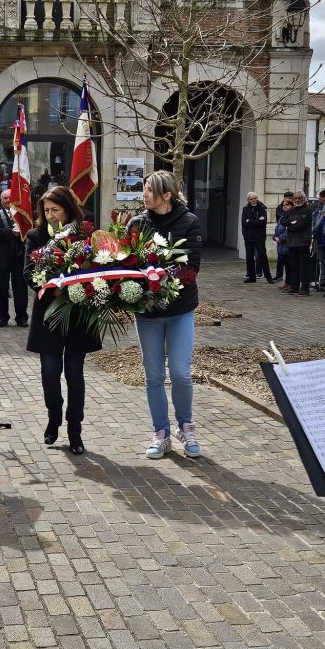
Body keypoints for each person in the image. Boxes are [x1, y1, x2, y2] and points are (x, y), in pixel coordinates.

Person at [127, 171, 202, 460]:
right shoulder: (136, 223)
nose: (144, 194)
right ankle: (161, 433)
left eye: (149, 189)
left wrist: (161, 279)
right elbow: (127, 262)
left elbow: (192, 269)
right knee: (154, 375)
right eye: (144, 189)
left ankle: (186, 427)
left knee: (181, 373)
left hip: (180, 310)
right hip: (147, 312)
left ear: (166, 195)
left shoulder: (189, 222)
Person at [24, 186, 100, 454]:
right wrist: (52, 288)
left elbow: (99, 266)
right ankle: (54, 418)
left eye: (55, 210)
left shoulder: (84, 233)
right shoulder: (35, 236)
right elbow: (28, 272)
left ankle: (74, 429)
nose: (50, 215)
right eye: (46, 210)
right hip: (49, 315)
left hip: (78, 314)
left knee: (75, 374)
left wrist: (77, 286)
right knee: (49, 373)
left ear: (68, 209)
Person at [0, 188, 29, 328]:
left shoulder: (22, 213)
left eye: (10, 197)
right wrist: (10, 232)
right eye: (5, 198)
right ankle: (2, 317)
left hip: (19, 256)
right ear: (1, 200)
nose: (8, 200)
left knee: (21, 289)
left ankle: (22, 317)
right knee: (1, 289)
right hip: (2, 257)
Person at [279, 191, 313, 295]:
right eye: (295, 198)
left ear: (303, 199)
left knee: (304, 266)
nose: (297, 200)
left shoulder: (307, 210)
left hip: (303, 242)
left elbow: (302, 225)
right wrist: (292, 223)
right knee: (293, 266)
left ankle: (305, 288)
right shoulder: (291, 210)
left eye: (299, 198)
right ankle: (294, 287)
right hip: (292, 242)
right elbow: (283, 221)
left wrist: (291, 225)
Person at [241, 192, 274, 284]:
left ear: (257, 198)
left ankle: (268, 276)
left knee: (262, 256)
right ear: (248, 200)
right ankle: (251, 277)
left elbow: (263, 222)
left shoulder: (262, 208)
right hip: (248, 237)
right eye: (251, 199)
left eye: (255, 198)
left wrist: (250, 221)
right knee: (249, 257)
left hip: (259, 236)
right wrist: (256, 221)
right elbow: (244, 223)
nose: (253, 200)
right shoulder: (245, 209)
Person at [273, 198, 292, 289]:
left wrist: (280, 238)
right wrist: (275, 237)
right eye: (283, 205)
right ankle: (287, 283)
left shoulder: (291, 215)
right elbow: (277, 229)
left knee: (290, 265)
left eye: (287, 205)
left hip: (287, 244)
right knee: (286, 266)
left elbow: (288, 230)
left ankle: (291, 283)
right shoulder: (282, 216)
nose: (285, 207)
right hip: (281, 245)